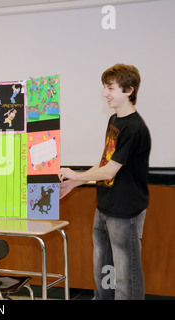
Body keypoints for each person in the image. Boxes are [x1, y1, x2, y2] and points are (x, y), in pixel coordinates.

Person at [58, 64, 151, 300]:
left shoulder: (135, 129)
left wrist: (75, 174)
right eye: (104, 87)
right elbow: (104, 161)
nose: (105, 94)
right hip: (105, 206)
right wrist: (75, 183)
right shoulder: (114, 120)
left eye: (110, 88)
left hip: (125, 212)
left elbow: (109, 171)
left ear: (129, 90)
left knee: (125, 276)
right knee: (103, 270)